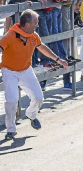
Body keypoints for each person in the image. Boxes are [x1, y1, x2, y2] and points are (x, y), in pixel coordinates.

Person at [1, 9, 68, 140]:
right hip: (9, 71)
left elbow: (41, 47)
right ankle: (11, 130)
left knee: (38, 98)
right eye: (35, 23)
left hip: (26, 70)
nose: (37, 25)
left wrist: (58, 60)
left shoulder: (33, 35)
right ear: (26, 24)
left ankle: (31, 115)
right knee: (12, 100)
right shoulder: (9, 36)